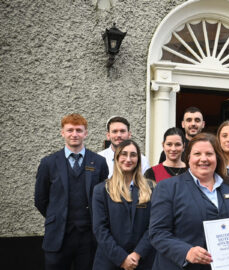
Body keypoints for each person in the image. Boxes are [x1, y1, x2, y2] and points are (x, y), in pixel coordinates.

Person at [149, 133, 229, 270]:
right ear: (188, 158)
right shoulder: (168, 188)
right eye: (197, 154)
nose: (203, 159)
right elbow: (158, 233)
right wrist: (186, 251)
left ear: (217, 157)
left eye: (209, 154)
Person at [34, 113, 109, 270]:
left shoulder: (99, 162)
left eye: (79, 130)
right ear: (62, 132)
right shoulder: (48, 163)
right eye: (70, 130)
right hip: (58, 237)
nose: (74, 134)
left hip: (89, 237)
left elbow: (104, 196)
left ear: (85, 133)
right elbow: (40, 199)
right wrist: (57, 216)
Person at [92, 140, 155, 270]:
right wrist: (122, 258)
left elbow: (154, 226)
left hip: (142, 261)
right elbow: (100, 229)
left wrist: (137, 254)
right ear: (116, 157)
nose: (128, 159)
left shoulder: (151, 189)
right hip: (109, 262)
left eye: (133, 155)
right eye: (124, 154)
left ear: (138, 159)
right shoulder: (101, 190)